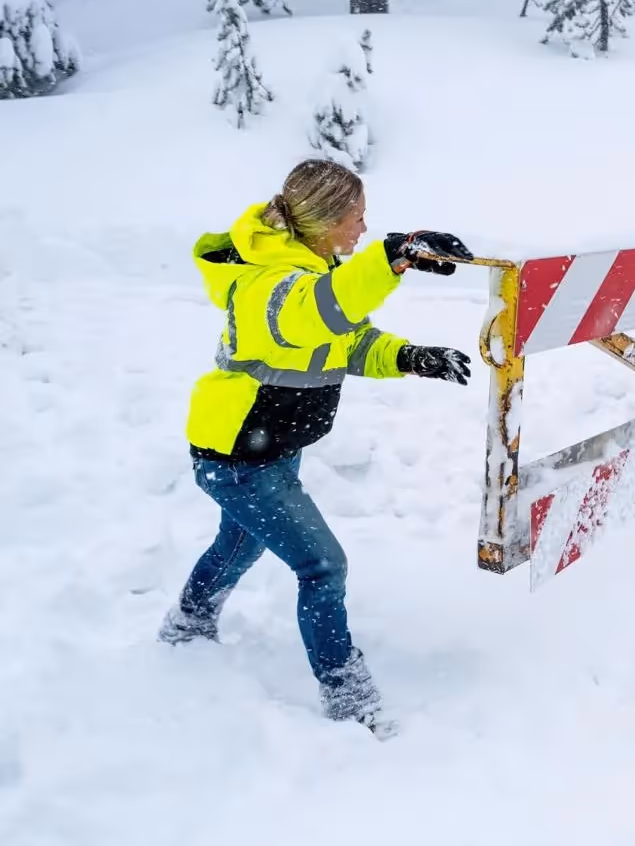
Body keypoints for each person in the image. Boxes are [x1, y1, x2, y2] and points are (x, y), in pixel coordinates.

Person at [157, 158, 473, 737]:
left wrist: (412, 357)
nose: (363, 229)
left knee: (238, 544)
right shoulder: (273, 283)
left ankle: (186, 627)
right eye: (356, 218)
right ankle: (349, 696)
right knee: (322, 567)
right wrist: (393, 255)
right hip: (240, 459)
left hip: (265, 448)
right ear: (324, 222)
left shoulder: (309, 271)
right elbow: (318, 312)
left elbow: (344, 339)